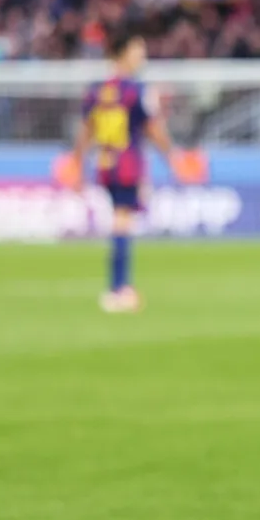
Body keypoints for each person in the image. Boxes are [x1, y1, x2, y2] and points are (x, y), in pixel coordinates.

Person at [70, 32, 183, 314]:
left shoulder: (96, 90)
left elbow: (87, 130)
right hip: (128, 163)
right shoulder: (136, 90)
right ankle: (119, 288)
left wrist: (77, 163)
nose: (141, 57)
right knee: (122, 222)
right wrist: (173, 155)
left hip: (105, 162)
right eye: (138, 50)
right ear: (122, 53)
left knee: (120, 220)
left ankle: (120, 287)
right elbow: (152, 128)